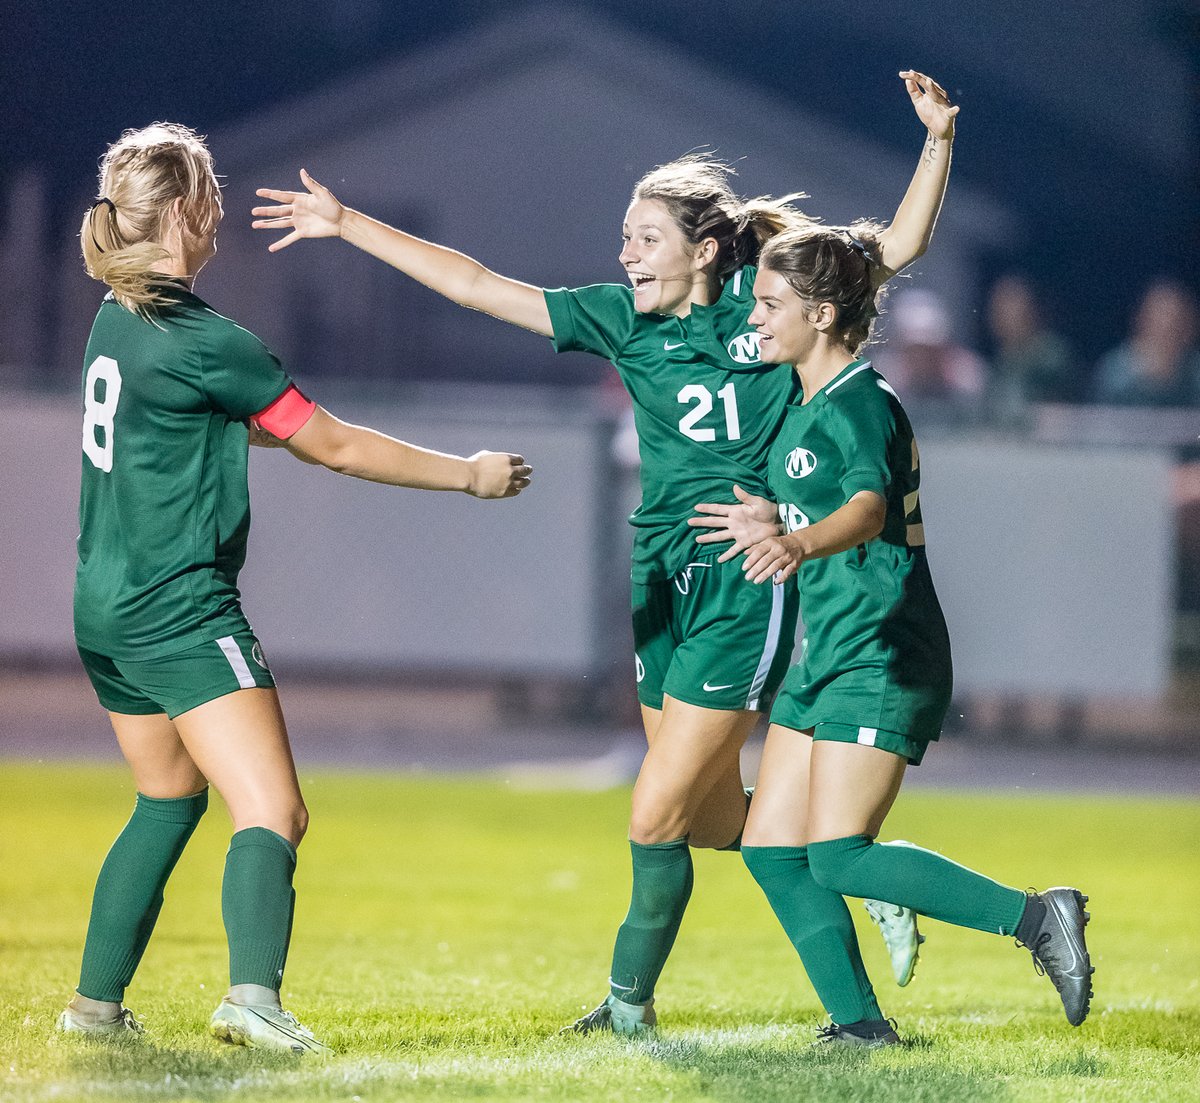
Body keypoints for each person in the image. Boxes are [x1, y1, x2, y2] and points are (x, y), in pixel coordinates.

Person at [251, 71, 957, 1034]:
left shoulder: (765, 301)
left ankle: (628, 1004)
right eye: (624, 235)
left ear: (705, 250)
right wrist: (349, 222)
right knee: (711, 821)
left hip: (740, 581)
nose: (624, 252)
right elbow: (474, 282)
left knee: (650, 810)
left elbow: (895, 249)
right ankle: (864, 870)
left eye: (644, 236)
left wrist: (938, 142)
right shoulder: (620, 320)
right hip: (657, 577)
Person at [58, 123, 530, 1054]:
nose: (224, 207)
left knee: (166, 799)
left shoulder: (118, 319)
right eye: (215, 193)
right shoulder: (207, 340)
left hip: (103, 609)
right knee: (275, 810)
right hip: (178, 608)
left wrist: (290, 427)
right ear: (189, 211)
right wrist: (466, 473)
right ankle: (251, 998)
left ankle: (94, 1007)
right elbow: (337, 444)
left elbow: (232, 427)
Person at [689, 223, 1094, 1045]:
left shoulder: (861, 402)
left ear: (825, 312)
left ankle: (1034, 916)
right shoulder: (806, 402)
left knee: (836, 854)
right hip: (826, 651)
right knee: (772, 847)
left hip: (881, 650)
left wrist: (796, 540)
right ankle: (860, 1026)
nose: (756, 318)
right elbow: (829, 499)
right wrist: (778, 515)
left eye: (771, 304)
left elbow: (869, 506)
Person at [1093, 279, 1200, 407]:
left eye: (1175, 321)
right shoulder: (1116, 368)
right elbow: (1101, 415)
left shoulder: (1195, 369)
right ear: (1142, 319)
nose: (1166, 328)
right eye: (1160, 318)